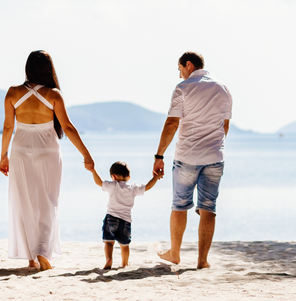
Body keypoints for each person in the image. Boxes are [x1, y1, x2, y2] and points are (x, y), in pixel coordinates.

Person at [0, 50, 94, 271]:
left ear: (28, 68)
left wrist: (4, 156)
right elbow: (68, 128)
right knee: (48, 201)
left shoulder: (13, 93)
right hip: (48, 151)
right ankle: (42, 251)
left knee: (24, 201)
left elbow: (7, 127)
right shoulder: (53, 95)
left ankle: (31, 256)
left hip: (21, 151)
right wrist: (86, 155)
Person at [153, 51, 232, 269]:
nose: (180, 75)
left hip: (187, 156)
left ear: (189, 65)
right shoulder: (223, 88)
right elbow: (225, 125)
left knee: (179, 205)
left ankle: (175, 253)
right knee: (209, 208)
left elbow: (171, 124)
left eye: (180, 69)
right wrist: (215, 146)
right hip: (215, 157)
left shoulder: (183, 88)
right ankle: (202, 260)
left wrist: (159, 155)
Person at [89, 161, 162, 269]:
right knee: (124, 244)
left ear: (113, 176)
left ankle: (109, 259)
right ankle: (124, 263)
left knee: (109, 242)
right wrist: (155, 178)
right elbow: (147, 187)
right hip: (126, 221)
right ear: (129, 177)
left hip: (111, 218)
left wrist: (93, 170)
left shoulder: (112, 185)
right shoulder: (133, 188)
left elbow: (99, 182)